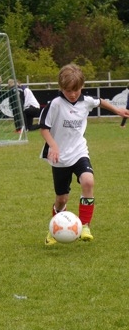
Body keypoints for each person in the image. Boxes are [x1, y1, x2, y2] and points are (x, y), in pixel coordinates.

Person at [39, 63, 129, 245]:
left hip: (79, 151)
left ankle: (85, 226)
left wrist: (118, 110)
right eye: (68, 91)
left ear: (82, 86)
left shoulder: (86, 100)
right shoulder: (55, 104)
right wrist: (53, 146)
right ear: (61, 88)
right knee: (61, 199)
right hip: (59, 158)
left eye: (76, 90)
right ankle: (55, 228)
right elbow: (44, 128)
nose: (73, 94)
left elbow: (99, 101)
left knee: (88, 181)